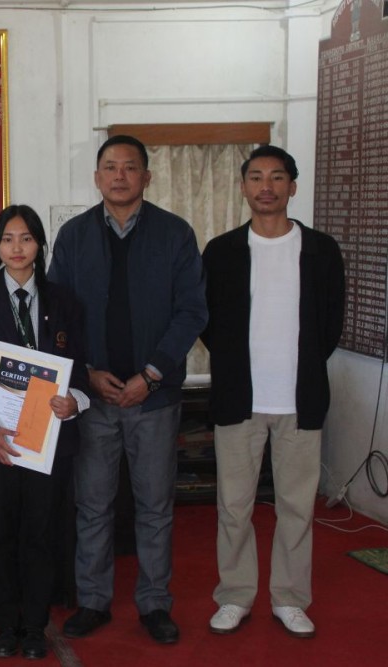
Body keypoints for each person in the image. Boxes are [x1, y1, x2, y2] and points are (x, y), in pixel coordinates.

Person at [48, 134, 207, 644]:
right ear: (97, 178)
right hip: (93, 398)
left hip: (153, 397)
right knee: (92, 505)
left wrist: (153, 373)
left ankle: (154, 603)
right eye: (110, 167)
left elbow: (191, 312)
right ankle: (93, 600)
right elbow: (57, 316)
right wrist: (86, 372)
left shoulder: (175, 234)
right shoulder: (73, 236)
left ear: (146, 177)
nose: (120, 175)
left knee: (155, 506)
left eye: (130, 167)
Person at [201, 145, 344, 639]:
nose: (267, 186)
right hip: (239, 400)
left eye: (277, 177)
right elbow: (209, 324)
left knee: (298, 507)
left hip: (298, 400)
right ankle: (235, 596)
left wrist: (299, 371)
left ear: (292, 187)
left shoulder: (322, 250)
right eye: (257, 177)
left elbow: (331, 326)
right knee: (234, 506)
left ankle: (289, 598)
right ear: (243, 187)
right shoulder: (221, 251)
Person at [0, 205, 90, 659]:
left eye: (26, 238)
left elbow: (81, 371)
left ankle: (34, 625)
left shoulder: (64, 300)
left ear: (39, 245)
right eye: (7, 239)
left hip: (48, 443)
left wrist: (76, 403)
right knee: (0, 534)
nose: (16, 248)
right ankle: (5, 625)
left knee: (41, 534)